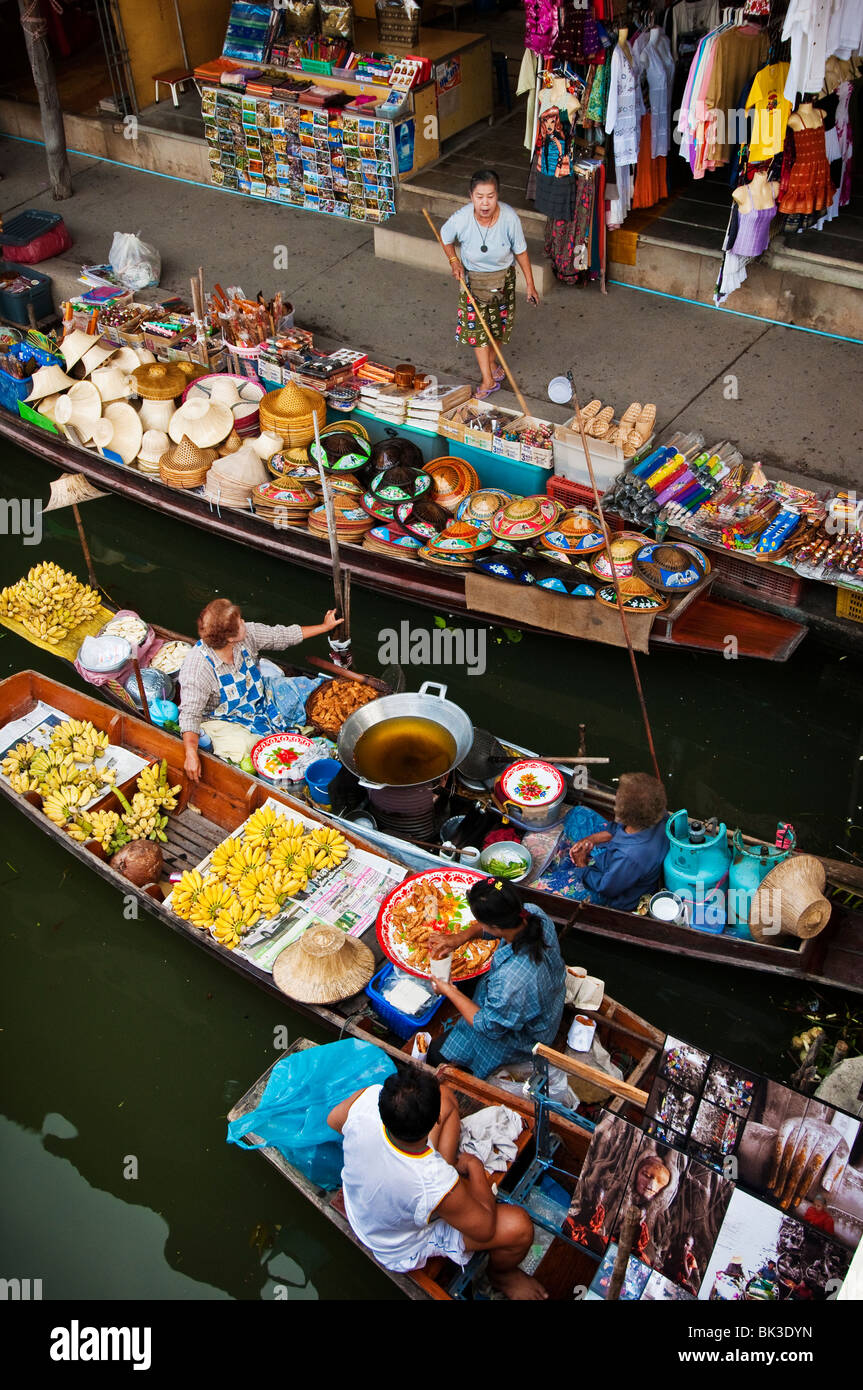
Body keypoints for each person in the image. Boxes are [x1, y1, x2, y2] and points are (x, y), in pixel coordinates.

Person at [327, 1066, 547, 1299]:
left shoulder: (368, 1100)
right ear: (436, 1120)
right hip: (396, 1245)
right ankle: (502, 1276)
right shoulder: (433, 1180)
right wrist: (475, 1167)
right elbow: (485, 1229)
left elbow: (334, 1120)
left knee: (446, 1097)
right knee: (519, 1227)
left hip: (362, 1206)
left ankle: (435, 1188)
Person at [179, 597, 342, 782]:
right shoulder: (198, 669)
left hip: (260, 696)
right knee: (249, 747)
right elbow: (189, 715)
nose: (243, 622)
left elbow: (281, 636)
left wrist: (324, 626)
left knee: (306, 689)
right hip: (225, 717)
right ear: (230, 638)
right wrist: (191, 754)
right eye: (240, 622)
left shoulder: (247, 635)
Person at [424, 879, 565, 1078]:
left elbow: (488, 1026)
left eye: (480, 921)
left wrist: (448, 990)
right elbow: (491, 928)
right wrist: (461, 937)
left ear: (494, 926)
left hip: (525, 1037)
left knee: (436, 1054)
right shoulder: (532, 913)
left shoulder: (512, 981)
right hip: (549, 1002)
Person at [440, 169, 540, 399]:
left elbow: (521, 252)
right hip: (472, 282)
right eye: (479, 197)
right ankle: (487, 379)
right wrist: (454, 261)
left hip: (503, 280)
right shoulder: (461, 218)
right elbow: (445, 237)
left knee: (498, 328)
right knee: (477, 331)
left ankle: (492, 363)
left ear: (498, 195)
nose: (485, 203)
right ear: (471, 196)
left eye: (490, 196)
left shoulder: (509, 217)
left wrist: (531, 285)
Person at [533, 772, 668, 910]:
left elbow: (606, 888)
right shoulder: (658, 813)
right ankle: (576, 864)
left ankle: (574, 868)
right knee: (578, 813)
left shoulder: (629, 858)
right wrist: (589, 840)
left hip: (611, 892)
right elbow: (616, 830)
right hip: (615, 861)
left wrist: (581, 864)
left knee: (539, 888)